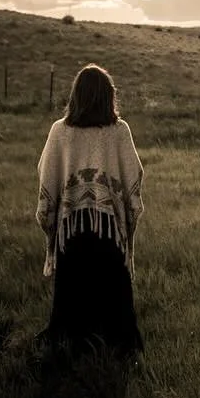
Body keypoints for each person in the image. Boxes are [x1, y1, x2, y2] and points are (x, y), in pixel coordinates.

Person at [35, 63, 145, 355]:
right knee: (114, 289)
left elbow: (46, 175)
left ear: (76, 96)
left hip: (72, 229)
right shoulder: (119, 131)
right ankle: (118, 341)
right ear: (109, 96)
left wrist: (53, 215)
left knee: (72, 291)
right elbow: (135, 175)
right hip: (108, 230)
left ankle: (71, 339)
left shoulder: (60, 131)